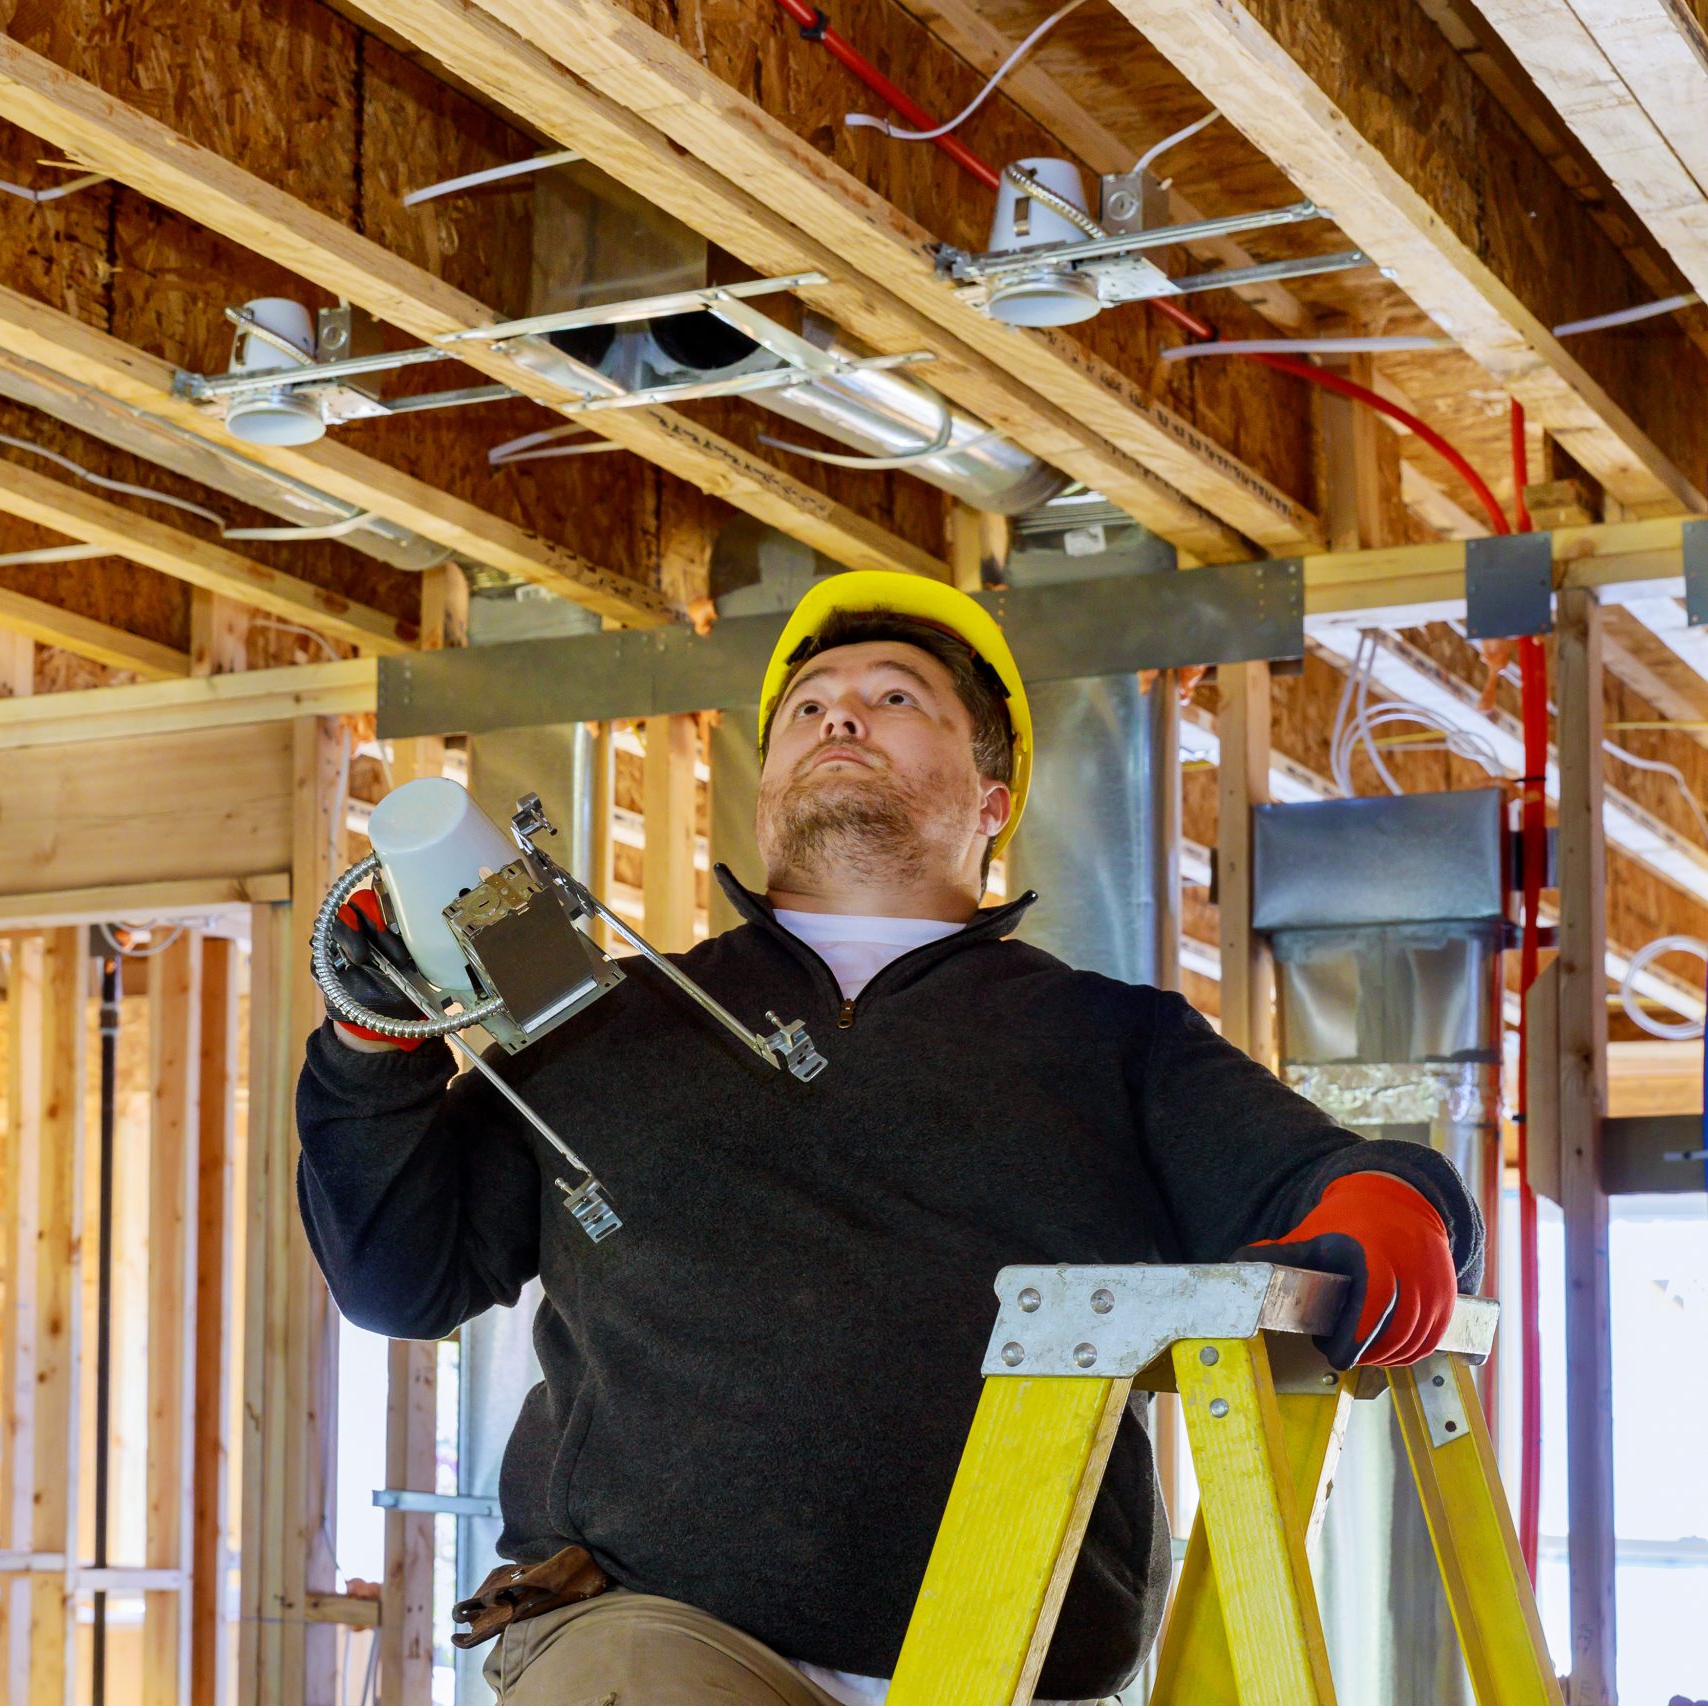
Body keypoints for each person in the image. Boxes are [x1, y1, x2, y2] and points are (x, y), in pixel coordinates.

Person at [296, 571, 1482, 1705]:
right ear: (766, 795)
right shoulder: (603, 1022)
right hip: (652, 1625)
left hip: (1017, 1647)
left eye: (894, 696)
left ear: (991, 800)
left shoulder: (1113, 1042)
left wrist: (1395, 1205)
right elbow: (403, 1277)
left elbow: (1325, 1176)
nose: (839, 715)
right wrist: (373, 1044)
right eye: (807, 707)